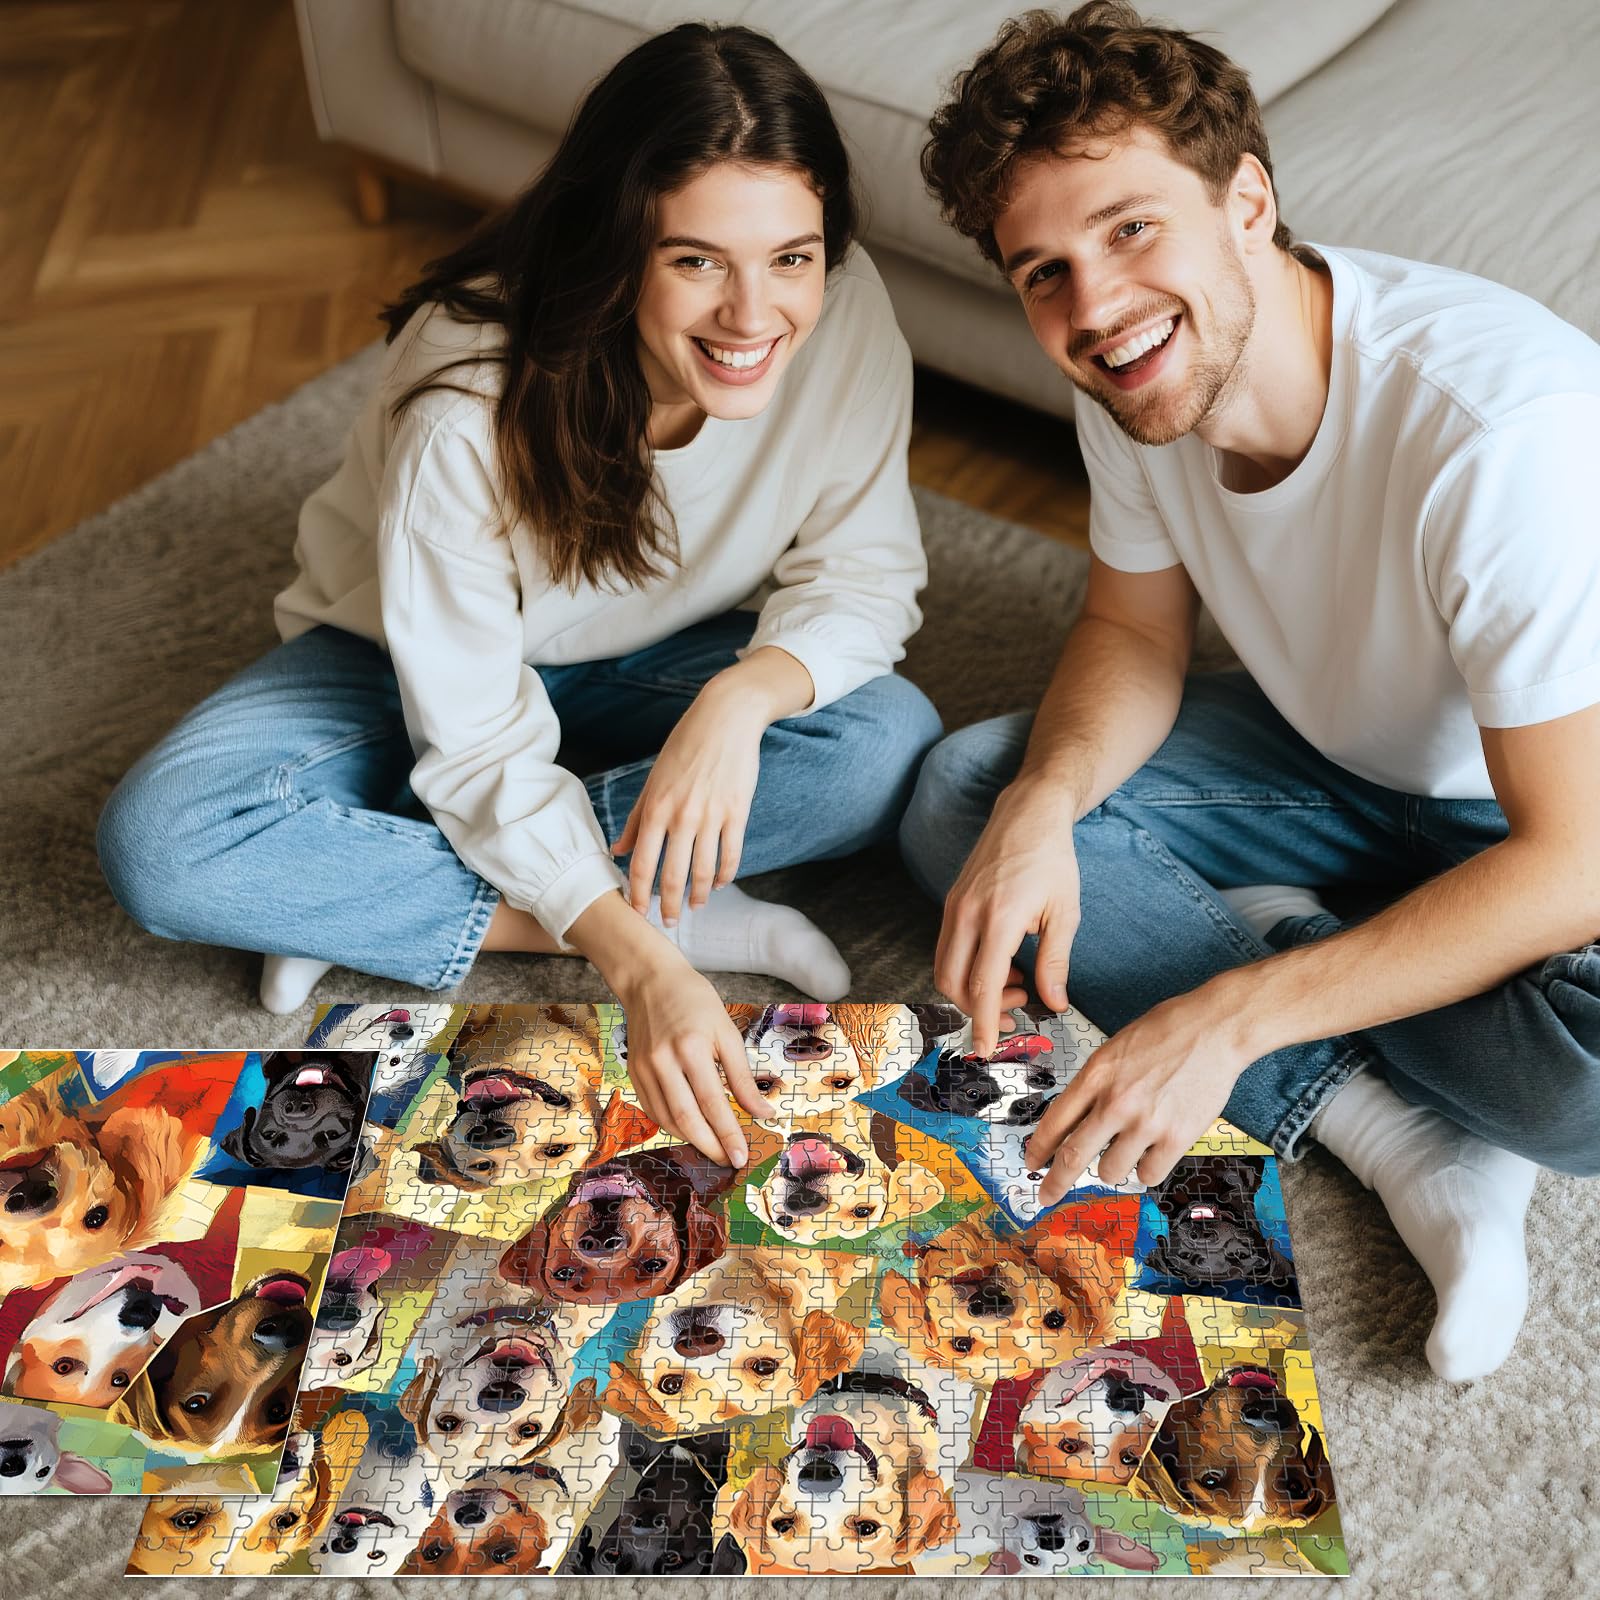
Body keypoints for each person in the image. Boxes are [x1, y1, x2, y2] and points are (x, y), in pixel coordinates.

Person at [97, 23, 942, 1171]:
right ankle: (633, 907)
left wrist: (738, 702)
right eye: (697, 262)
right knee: (167, 842)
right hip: (396, 654)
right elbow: (477, 730)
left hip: (659, 651)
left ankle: (358, 890)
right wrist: (640, 961)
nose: (754, 317)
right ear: (616, 248)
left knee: (884, 743)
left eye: (789, 257)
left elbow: (863, 573)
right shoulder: (464, 394)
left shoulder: (844, 305)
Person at [900, 1, 1600, 1380]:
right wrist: (1047, 801)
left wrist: (1228, 1013)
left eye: (1129, 229)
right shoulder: (1137, 375)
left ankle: (1283, 948)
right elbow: (1131, 629)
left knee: (1586, 1087)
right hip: (1333, 768)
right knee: (972, 802)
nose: (1092, 307)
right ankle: (1397, 1132)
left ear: (1247, 203)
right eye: (1044, 272)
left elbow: (1574, 860)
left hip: (1548, 820)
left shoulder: (1499, 437)